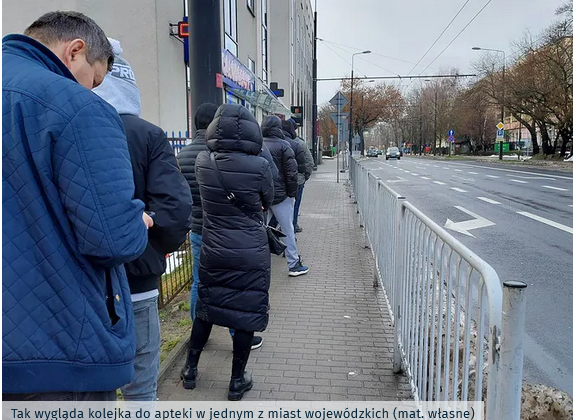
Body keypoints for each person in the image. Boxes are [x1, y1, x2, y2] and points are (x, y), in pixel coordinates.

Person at [2, 11, 152, 400]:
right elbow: (112, 238)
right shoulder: (77, 107)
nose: (94, 90)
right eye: (96, 80)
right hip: (57, 353)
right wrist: (140, 223)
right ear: (75, 52)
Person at [93, 38, 192, 401]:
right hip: (138, 281)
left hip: (83, 283)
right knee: (140, 388)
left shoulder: (68, 127)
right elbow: (177, 208)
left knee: (93, 386)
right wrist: (151, 245)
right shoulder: (148, 135)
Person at [180, 104, 274, 401]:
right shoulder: (259, 165)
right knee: (245, 314)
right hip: (250, 250)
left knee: (207, 307)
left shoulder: (204, 162)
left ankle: (190, 370)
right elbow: (268, 199)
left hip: (214, 246)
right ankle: (236, 381)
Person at [177, 103, 218, 321]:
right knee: (226, 281)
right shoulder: (217, 152)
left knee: (198, 280)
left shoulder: (183, 155)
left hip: (196, 227)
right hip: (220, 228)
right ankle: (234, 332)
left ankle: (197, 328)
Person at [262, 116, 310, 277]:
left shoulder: (258, 145)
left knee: (259, 228)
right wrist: (292, 194)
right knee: (288, 229)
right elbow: (291, 174)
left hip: (262, 195)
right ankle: (293, 264)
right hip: (281, 196)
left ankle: (258, 263)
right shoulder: (285, 146)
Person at [280, 119, 313, 233]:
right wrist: (304, 177)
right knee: (295, 205)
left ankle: (276, 229)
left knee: (279, 206)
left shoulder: (277, 142)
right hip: (298, 180)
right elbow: (309, 163)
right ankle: (292, 227)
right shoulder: (300, 144)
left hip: (280, 182)